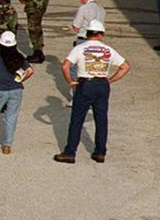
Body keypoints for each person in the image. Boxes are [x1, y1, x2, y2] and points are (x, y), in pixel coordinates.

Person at [55, 20, 131, 164]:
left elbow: (65, 66)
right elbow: (125, 66)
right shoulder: (108, 50)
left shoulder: (80, 48)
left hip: (85, 84)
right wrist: (110, 80)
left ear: (87, 34)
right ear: (101, 34)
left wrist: (70, 81)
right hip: (102, 85)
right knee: (101, 120)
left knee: (77, 120)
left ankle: (70, 153)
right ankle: (100, 152)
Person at [0, 31, 33, 155]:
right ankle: (7, 146)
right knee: (11, 118)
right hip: (16, 90)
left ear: (1, 44)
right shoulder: (19, 57)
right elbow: (30, 71)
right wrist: (21, 80)